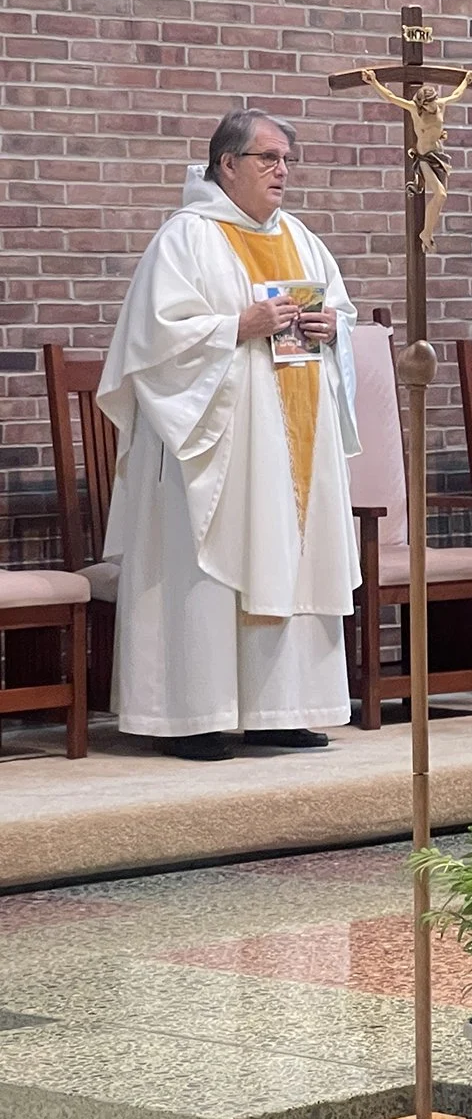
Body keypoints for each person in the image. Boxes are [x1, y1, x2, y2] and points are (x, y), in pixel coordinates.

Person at [99, 110, 360, 760]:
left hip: (292, 433)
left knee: (290, 554)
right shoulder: (186, 239)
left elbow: (340, 312)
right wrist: (235, 326)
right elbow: (151, 345)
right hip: (212, 441)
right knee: (211, 565)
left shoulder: (301, 238)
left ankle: (280, 708)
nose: (282, 172)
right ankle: (195, 715)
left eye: (288, 161)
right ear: (227, 165)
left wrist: (333, 330)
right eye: (269, 158)